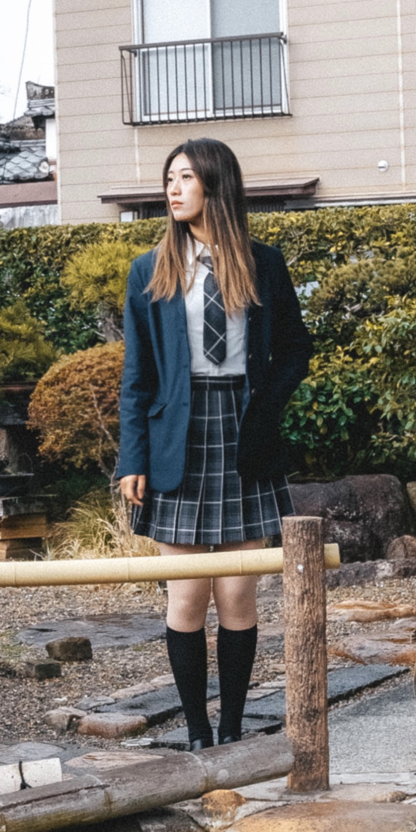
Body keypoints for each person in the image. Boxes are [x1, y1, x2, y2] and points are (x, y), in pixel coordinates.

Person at [116, 138, 313, 750]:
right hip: (177, 435)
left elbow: (295, 351)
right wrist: (133, 458)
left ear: (215, 185)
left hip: (242, 431)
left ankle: (231, 729)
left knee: (236, 594)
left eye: (185, 178)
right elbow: (137, 375)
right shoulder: (151, 271)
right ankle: (197, 732)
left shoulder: (263, 263)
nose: (173, 190)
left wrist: (264, 408)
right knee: (187, 598)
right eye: (169, 179)